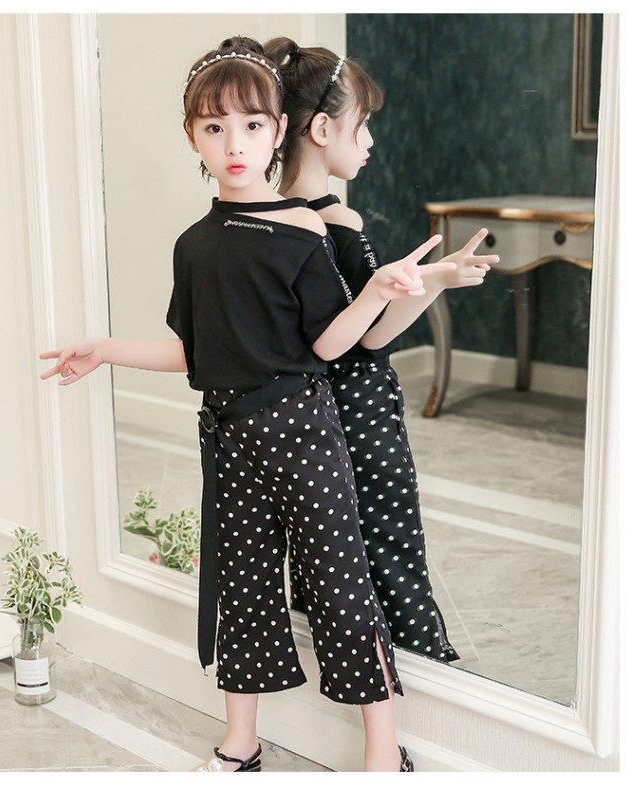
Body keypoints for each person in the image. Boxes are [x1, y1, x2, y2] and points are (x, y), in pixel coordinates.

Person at [40, 36, 456, 772]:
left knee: (340, 580)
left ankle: (382, 751)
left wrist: (375, 291)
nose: (235, 144)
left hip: (304, 432)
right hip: (229, 438)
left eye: (253, 125)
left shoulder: (304, 229)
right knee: (245, 584)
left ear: (278, 130)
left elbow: (327, 344)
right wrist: (104, 348)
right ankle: (241, 743)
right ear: (192, 137)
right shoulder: (194, 244)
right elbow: (196, 355)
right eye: (215, 127)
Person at [264, 37, 499, 664]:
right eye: (361, 126)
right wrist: (438, 280)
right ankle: (422, 660)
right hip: (359, 411)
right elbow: (373, 334)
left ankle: (339, 654)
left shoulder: (270, 216)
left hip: (304, 413)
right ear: (321, 130)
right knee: (389, 540)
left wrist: (434, 274)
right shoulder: (338, 222)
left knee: (325, 548)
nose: (369, 142)